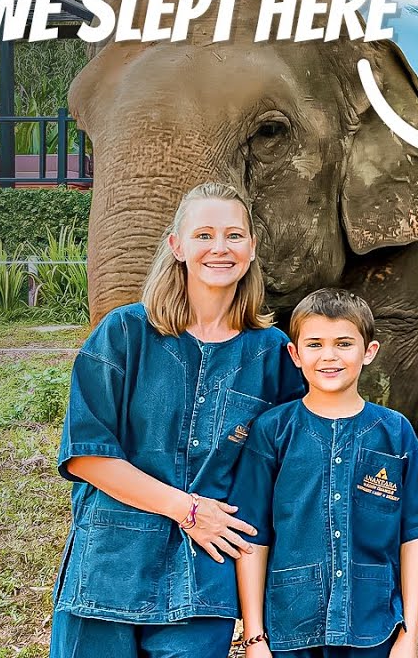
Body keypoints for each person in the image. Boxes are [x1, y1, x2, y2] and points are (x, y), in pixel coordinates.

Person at [51, 182, 305, 658]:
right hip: (109, 566)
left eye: (234, 235)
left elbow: (282, 477)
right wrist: (188, 510)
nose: (219, 247)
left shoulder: (272, 354)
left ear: (251, 249)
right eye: (204, 234)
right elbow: (88, 455)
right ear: (177, 246)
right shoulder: (124, 333)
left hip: (204, 580)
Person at [229, 288, 418, 658]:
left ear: (369, 352)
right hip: (290, 629)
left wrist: (409, 635)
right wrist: (254, 637)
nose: (329, 356)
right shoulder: (272, 431)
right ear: (295, 355)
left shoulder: (395, 432)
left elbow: (415, 535)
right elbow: (253, 535)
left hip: (374, 627)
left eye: (344, 343)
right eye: (314, 344)